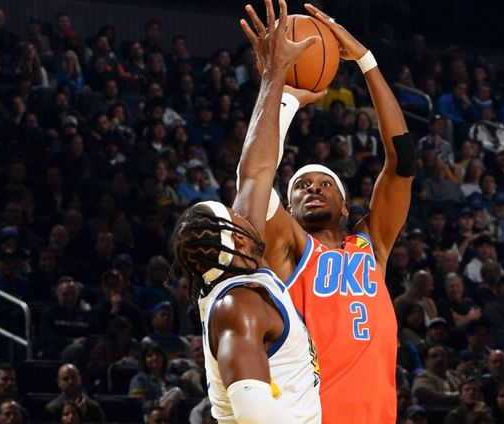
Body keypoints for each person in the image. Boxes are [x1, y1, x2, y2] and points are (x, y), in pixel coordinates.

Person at [243, 3, 414, 423]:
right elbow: (254, 178)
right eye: (301, 186)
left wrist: (366, 61)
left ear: (345, 205)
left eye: (324, 184)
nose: (313, 189)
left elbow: (403, 160)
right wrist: (280, 91)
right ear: (288, 207)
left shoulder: (371, 244)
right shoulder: (288, 248)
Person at [168, 2, 322, 422]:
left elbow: (255, 171)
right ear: (236, 240)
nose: (242, 211)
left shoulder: (238, 268)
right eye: (233, 216)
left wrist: (278, 81)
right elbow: (255, 415)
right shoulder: (237, 307)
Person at [128, 343, 183, 416]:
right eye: (150, 356)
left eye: (158, 355)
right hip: (149, 414)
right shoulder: (139, 379)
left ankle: (163, 417)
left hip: (174, 416)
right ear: (144, 360)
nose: (154, 357)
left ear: (163, 358)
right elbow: (137, 403)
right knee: (176, 391)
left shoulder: (174, 379)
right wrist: (156, 404)